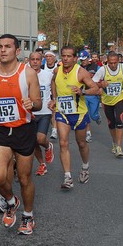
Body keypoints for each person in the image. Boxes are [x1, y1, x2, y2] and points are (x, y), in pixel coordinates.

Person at [0, 34, 42, 235]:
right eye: (0, 47)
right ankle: (12, 202)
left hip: (23, 130)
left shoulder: (27, 73)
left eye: (8, 47)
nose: (2, 50)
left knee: (24, 177)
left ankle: (28, 216)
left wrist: (32, 104)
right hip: (0, 130)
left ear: (17, 51)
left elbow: (37, 101)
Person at [48, 46, 99, 190]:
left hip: (79, 113)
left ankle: (85, 167)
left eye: (69, 56)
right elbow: (53, 81)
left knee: (81, 143)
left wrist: (82, 91)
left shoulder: (81, 72)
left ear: (75, 58)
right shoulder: (57, 70)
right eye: (63, 55)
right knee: (63, 143)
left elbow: (95, 89)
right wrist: (54, 98)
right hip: (62, 112)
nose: (65, 58)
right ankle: (67, 177)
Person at [93, 52, 123, 157]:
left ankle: (119, 146)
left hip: (120, 98)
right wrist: (101, 84)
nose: (113, 65)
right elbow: (92, 82)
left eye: (115, 63)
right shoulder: (102, 70)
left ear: (118, 61)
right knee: (111, 123)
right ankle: (114, 142)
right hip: (107, 100)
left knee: (119, 120)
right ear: (107, 62)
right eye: (111, 63)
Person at [28, 52, 55, 176]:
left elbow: (56, 90)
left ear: (41, 61)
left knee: (40, 139)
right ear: (29, 61)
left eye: (37, 59)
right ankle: (42, 164)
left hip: (44, 112)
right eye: (32, 59)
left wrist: (54, 100)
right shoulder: (25, 75)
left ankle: (48, 146)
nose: (35, 62)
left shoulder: (48, 75)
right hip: (29, 113)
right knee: (33, 141)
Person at [78, 50, 102, 144]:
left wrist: (100, 88)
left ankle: (97, 116)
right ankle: (88, 133)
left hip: (93, 94)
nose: (83, 61)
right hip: (84, 94)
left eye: (84, 59)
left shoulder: (96, 67)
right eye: (81, 60)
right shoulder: (79, 68)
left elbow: (102, 77)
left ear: (88, 58)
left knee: (93, 115)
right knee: (86, 114)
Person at [41, 51, 58, 140]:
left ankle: (54, 130)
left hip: (55, 92)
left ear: (54, 58)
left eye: (50, 56)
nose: (48, 58)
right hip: (45, 92)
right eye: (46, 56)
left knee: (53, 110)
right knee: (49, 111)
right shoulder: (42, 67)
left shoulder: (58, 68)